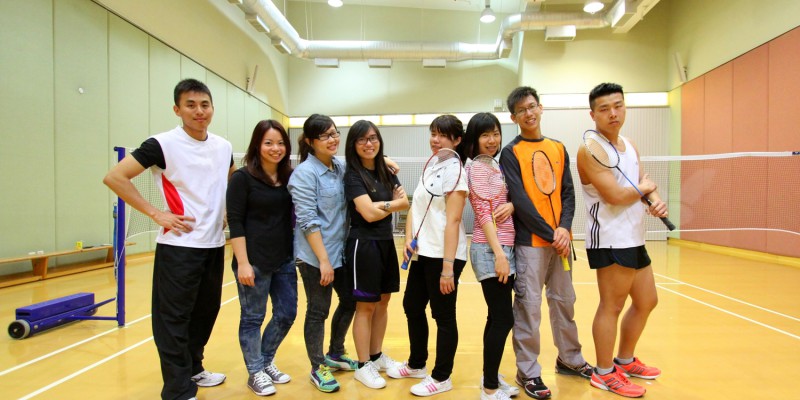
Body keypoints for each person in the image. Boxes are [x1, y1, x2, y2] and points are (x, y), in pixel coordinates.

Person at [103, 78, 231, 400]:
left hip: (214, 245)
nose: (198, 111)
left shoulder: (224, 146)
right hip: (179, 247)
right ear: (177, 109)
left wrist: (227, 212)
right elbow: (115, 177)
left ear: (212, 108)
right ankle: (177, 389)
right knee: (173, 319)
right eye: (190, 105)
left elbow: (228, 183)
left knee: (205, 313)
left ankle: (193, 368)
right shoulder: (161, 144)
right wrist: (157, 214)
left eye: (204, 104)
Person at [499, 86, 593, 400]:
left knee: (564, 303)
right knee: (529, 309)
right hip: (531, 244)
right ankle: (528, 371)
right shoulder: (510, 153)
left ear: (540, 108)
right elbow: (521, 201)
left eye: (532, 107)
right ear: (514, 117)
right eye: (522, 110)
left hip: (561, 243)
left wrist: (565, 229)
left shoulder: (558, 147)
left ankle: (570, 358)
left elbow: (567, 192)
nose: (529, 113)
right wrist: (553, 233)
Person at [578, 83, 666, 398]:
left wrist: (654, 199)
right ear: (593, 114)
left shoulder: (629, 144)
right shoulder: (591, 149)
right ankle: (603, 373)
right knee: (612, 305)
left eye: (618, 105)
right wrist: (646, 189)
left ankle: (625, 360)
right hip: (610, 238)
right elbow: (615, 196)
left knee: (647, 301)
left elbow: (641, 182)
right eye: (604, 108)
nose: (613, 113)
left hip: (634, 235)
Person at [386, 114, 468, 397]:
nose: (435, 139)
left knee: (443, 316)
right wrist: (409, 239)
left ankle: (442, 377)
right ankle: (417, 363)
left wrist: (448, 268)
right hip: (423, 252)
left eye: (442, 135)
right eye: (433, 133)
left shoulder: (456, 170)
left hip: (444, 256)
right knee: (412, 305)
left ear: (457, 140)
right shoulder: (434, 164)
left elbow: (455, 221)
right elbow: (415, 207)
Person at [287, 114, 357, 393]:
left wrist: (385, 161)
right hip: (316, 257)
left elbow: (359, 165)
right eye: (326, 136)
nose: (333, 139)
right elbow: (308, 221)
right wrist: (324, 261)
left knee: (351, 300)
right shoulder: (305, 174)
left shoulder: (339, 166)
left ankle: (336, 351)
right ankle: (317, 367)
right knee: (318, 311)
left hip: (339, 252)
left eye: (335, 133)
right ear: (310, 142)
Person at [226, 120, 296, 396]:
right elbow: (235, 221)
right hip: (253, 260)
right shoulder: (242, 179)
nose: (275, 148)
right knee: (253, 317)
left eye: (280, 143)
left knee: (287, 313)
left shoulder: (290, 176)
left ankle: (265, 361)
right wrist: (242, 262)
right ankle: (255, 371)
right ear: (257, 145)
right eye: (268, 142)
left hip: (284, 259)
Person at [343, 120, 409, 389]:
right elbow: (368, 214)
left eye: (373, 138)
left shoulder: (386, 170)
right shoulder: (353, 175)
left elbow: (405, 203)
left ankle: (376, 355)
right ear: (354, 145)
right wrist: (394, 204)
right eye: (362, 139)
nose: (368, 144)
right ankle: (362, 365)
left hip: (385, 242)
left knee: (383, 302)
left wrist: (385, 205)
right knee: (365, 306)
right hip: (363, 245)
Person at [463, 113, 520, 400]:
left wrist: (510, 205)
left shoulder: (494, 166)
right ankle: (488, 389)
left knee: (495, 317)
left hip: (504, 247)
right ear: (474, 139)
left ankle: (491, 376)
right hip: (490, 248)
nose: (492, 139)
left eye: (496, 133)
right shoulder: (477, 168)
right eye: (485, 135)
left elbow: (501, 202)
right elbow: (483, 212)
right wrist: (499, 254)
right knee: (503, 319)